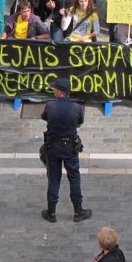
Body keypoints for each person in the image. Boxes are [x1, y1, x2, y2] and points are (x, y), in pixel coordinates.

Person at [41, 78, 91, 223]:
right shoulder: (76, 108)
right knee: (74, 179)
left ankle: (51, 213)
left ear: (59, 91)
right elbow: (80, 121)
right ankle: (78, 211)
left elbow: (45, 117)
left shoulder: (50, 105)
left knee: (54, 180)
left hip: (53, 148)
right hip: (70, 148)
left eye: (55, 88)